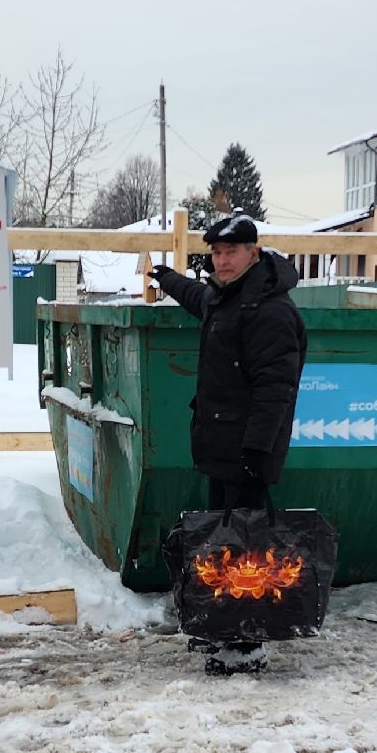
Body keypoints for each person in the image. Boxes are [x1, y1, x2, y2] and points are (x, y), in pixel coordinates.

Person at [148, 211, 307, 673]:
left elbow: (275, 388)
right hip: (221, 445)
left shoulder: (270, 311)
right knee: (228, 543)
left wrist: (257, 452)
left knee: (248, 549)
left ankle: (246, 645)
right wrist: (170, 279)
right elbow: (201, 298)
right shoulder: (228, 297)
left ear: (253, 253)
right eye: (217, 253)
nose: (222, 261)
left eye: (231, 252)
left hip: (246, 450)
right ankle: (230, 632)